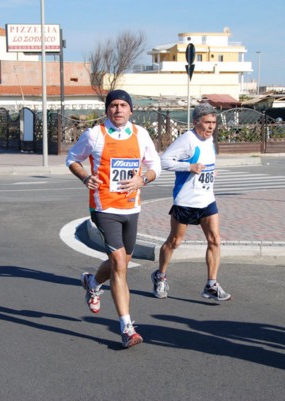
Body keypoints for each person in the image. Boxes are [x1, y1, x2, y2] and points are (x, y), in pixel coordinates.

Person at [67, 89, 161, 348]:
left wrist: (142, 179)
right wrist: (85, 177)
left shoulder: (141, 135)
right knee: (120, 263)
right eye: (113, 106)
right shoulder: (95, 135)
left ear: (131, 110)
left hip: (131, 208)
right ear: (107, 110)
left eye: (123, 105)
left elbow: (156, 166)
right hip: (104, 208)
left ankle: (92, 281)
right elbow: (72, 158)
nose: (118, 110)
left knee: (120, 262)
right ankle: (127, 327)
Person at [151, 104, 231, 301]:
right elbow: (164, 161)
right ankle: (160, 275)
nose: (211, 126)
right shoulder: (187, 139)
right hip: (186, 200)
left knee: (215, 240)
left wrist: (210, 172)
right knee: (175, 241)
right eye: (207, 122)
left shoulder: (210, 139)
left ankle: (211, 285)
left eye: (214, 122)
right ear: (196, 122)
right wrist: (189, 166)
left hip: (206, 200)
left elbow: (206, 163)